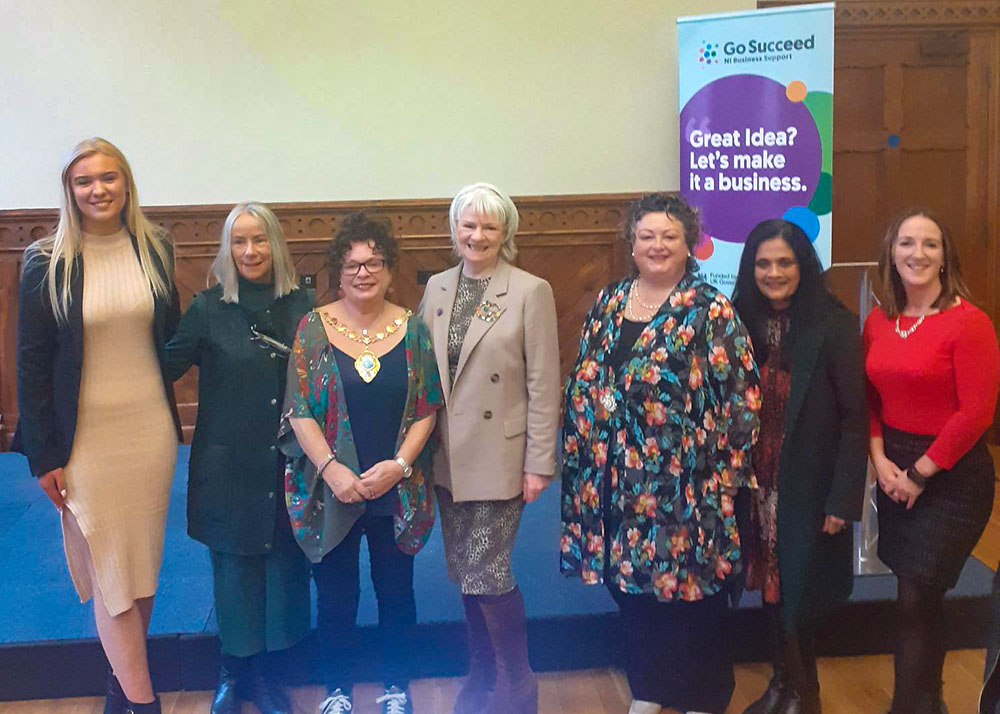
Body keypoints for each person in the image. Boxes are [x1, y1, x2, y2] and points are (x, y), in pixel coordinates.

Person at [560, 193, 760, 714]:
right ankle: (649, 689)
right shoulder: (610, 301)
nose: (657, 245)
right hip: (613, 484)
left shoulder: (708, 308)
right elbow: (585, 376)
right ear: (632, 243)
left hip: (686, 487)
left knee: (692, 598)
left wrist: (727, 477)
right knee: (632, 593)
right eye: (646, 235)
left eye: (669, 236)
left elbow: (742, 396)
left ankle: (702, 697)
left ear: (689, 243)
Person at [12, 137, 180, 714]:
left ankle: (119, 690)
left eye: (108, 178)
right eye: (85, 181)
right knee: (112, 573)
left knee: (141, 567)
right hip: (85, 442)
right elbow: (31, 364)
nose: (97, 190)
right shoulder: (45, 261)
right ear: (70, 190)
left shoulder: (154, 248)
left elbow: (171, 338)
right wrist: (44, 456)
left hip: (151, 432)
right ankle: (142, 703)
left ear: (126, 184)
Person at [282, 211, 442, 714]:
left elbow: (427, 408)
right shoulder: (312, 327)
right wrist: (333, 470)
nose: (363, 273)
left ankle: (396, 686)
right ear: (338, 271)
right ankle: (337, 690)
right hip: (334, 488)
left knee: (396, 591)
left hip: (395, 485)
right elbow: (299, 409)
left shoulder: (412, 329)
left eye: (374, 263)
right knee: (335, 596)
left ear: (390, 269)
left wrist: (399, 465)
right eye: (352, 265)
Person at [164, 202, 312, 714]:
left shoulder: (305, 307)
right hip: (226, 466)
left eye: (260, 240)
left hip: (288, 463)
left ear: (276, 245)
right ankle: (234, 671)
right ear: (227, 249)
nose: (250, 251)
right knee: (232, 569)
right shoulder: (207, 309)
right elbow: (162, 366)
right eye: (239, 241)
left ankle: (270, 674)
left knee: (280, 568)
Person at [419, 182, 561, 714]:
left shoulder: (530, 290)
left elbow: (545, 383)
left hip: (502, 459)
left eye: (489, 226)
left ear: (507, 234)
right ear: (454, 229)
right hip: (446, 456)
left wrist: (539, 462)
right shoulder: (434, 287)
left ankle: (517, 683)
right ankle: (481, 673)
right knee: (464, 568)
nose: (477, 235)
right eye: (468, 224)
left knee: (488, 570)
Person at [864, 207, 999, 714]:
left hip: (952, 474)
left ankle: (912, 705)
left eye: (930, 244)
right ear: (890, 253)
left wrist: (921, 473)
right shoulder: (879, 322)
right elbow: (869, 399)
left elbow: (976, 413)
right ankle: (924, 702)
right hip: (892, 467)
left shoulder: (970, 322)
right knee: (913, 594)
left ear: (946, 257)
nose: (917, 254)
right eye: (906, 243)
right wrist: (878, 460)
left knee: (920, 592)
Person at [731, 219, 868, 714]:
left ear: (803, 265)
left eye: (785, 262)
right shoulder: (737, 318)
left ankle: (804, 694)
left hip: (807, 487)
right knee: (769, 586)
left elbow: (856, 418)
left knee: (798, 590)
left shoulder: (832, 323)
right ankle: (782, 683)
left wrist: (842, 499)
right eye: (763, 263)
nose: (774, 272)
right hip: (754, 483)